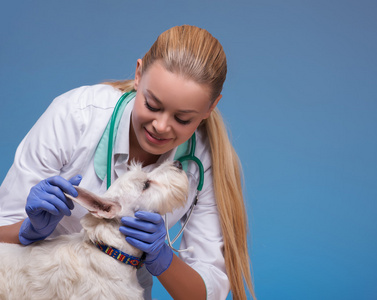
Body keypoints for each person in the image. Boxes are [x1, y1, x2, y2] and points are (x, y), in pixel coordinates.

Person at [0, 25, 255, 299]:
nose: (160, 126)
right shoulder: (76, 116)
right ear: (138, 75)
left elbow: (204, 291)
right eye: (152, 105)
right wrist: (30, 230)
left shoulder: (204, 161)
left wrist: (163, 259)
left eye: (182, 119)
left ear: (210, 108)